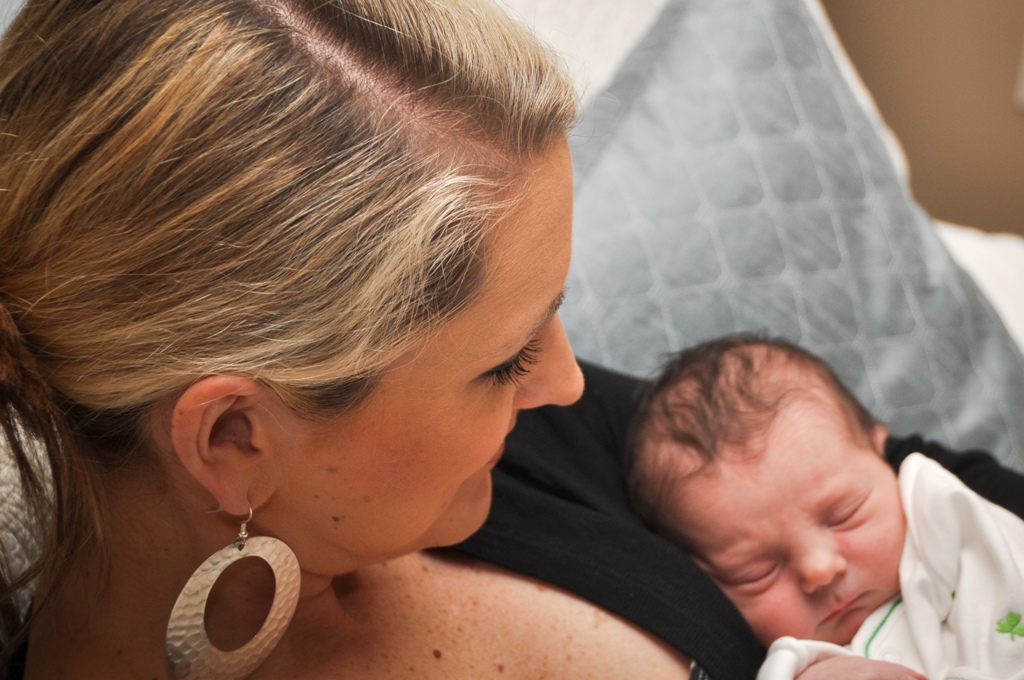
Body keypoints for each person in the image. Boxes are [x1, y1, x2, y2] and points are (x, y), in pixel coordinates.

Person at [3, 2, 1024, 679]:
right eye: (502, 362)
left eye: (550, 315)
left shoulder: (515, 450)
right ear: (234, 438)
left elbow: (899, 480)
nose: (569, 380)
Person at [626, 333, 1024, 680]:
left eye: (844, 514)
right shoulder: (794, 663)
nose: (819, 569)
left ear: (882, 453)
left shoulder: (946, 516)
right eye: (756, 571)